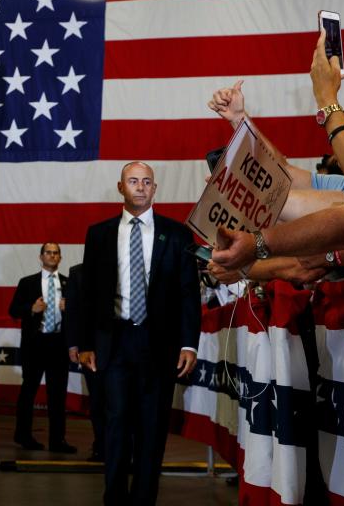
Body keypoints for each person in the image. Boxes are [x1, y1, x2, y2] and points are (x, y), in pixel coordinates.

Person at [79, 162, 200, 505]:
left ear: (155, 188)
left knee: (152, 427)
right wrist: (86, 343)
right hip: (114, 343)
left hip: (158, 346)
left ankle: (144, 498)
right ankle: (114, 498)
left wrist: (189, 343)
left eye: (147, 182)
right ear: (121, 188)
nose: (141, 187)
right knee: (115, 424)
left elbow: (188, 293)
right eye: (133, 181)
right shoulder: (99, 234)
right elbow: (88, 292)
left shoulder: (177, 234)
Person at [9, 242, 76, 453]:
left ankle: (57, 441)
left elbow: (81, 313)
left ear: (60, 258)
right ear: (41, 257)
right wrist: (31, 308)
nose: (52, 256)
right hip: (35, 344)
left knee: (58, 396)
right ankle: (23, 436)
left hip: (58, 344)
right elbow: (13, 310)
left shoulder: (69, 283)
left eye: (56, 253)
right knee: (28, 392)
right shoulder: (27, 283)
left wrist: (71, 308)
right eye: (48, 252)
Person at [64, 262, 105, 462]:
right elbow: (72, 311)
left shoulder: (124, 265)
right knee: (97, 400)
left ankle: (125, 446)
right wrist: (73, 344)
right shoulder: (77, 272)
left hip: (122, 346)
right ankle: (101, 445)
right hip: (90, 348)